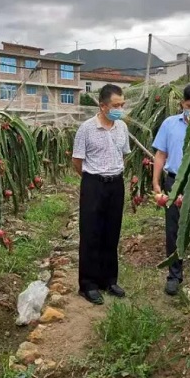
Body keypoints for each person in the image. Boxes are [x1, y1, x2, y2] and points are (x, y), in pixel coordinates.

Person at [72, 84, 130, 305]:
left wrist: (114, 173)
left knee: (111, 232)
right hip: (93, 184)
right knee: (90, 234)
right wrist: (92, 179)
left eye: (122, 105)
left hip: (116, 184)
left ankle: (109, 280)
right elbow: (77, 161)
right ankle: (88, 284)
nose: (120, 109)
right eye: (116, 105)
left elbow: (124, 154)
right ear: (103, 105)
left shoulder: (122, 128)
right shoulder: (86, 129)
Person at [152, 83, 190, 296]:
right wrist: (156, 182)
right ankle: (174, 276)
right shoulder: (169, 124)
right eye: (189, 105)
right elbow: (160, 154)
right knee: (173, 229)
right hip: (174, 182)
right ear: (181, 104)